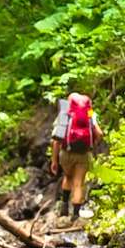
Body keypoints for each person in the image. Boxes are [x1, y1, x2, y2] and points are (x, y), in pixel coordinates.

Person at [50, 92, 103, 222]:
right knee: (79, 183)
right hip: (84, 154)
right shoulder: (90, 114)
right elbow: (100, 133)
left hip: (66, 153)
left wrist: (54, 160)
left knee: (67, 177)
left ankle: (64, 209)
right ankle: (75, 215)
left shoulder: (65, 114)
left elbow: (56, 140)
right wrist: (92, 145)